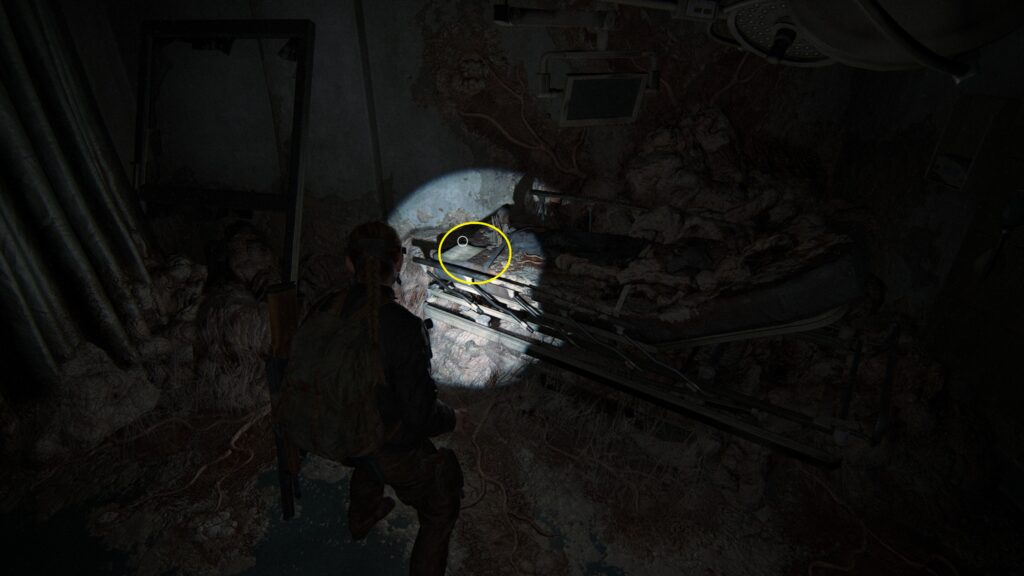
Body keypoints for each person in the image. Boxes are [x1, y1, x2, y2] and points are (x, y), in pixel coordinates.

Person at [312, 221, 467, 576]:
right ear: (398, 262)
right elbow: (420, 416)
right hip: (370, 441)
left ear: (349, 263)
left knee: (372, 433)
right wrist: (453, 418)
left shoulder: (323, 308)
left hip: (326, 430)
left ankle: (361, 517)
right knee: (442, 500)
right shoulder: (403, 326)